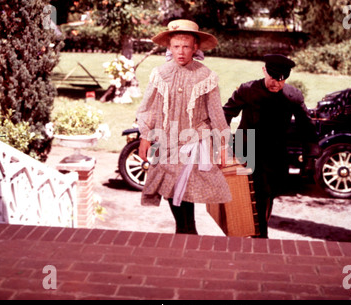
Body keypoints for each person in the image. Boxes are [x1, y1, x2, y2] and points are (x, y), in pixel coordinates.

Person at [136, 19, 232, 235]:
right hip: (166, 141)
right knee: (171, 188)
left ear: (195, 48)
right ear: (169, 47)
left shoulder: (206, 76)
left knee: (185, 188)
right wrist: (145, 137)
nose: (181, 52)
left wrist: (223, 147)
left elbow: (216, 114)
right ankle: (186, 231)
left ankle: (187, 233)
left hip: (194, 143)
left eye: (186, 46)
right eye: (176, 46)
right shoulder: (160, 74)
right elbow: (149, 108)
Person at [223, 54, 319, 238]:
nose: (276, 83)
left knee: (269, 192)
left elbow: (307, 127)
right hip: (247, 147)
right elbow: (226, 113)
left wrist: (310, 158)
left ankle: (259, 230)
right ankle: (257, 233)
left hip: (275, 151)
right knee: (252, 193)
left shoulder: (292, 96)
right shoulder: (248, 90)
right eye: (272, 77)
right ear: (264, 71)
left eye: (281, 79)